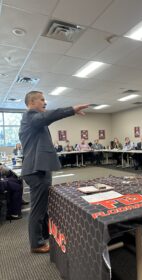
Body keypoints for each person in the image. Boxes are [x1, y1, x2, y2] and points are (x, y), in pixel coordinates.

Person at [19, 90, 88, 253]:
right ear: (31, 102)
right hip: (36, 170)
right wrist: (71, 110)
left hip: (38, 169)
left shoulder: (35, 121)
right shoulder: (30, 116)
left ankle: (44, 235)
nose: (45, 102)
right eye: (42, 99)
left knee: (42, 207)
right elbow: (46, 116)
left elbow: (45, 119)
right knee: (37, 209)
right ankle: (37, 244)